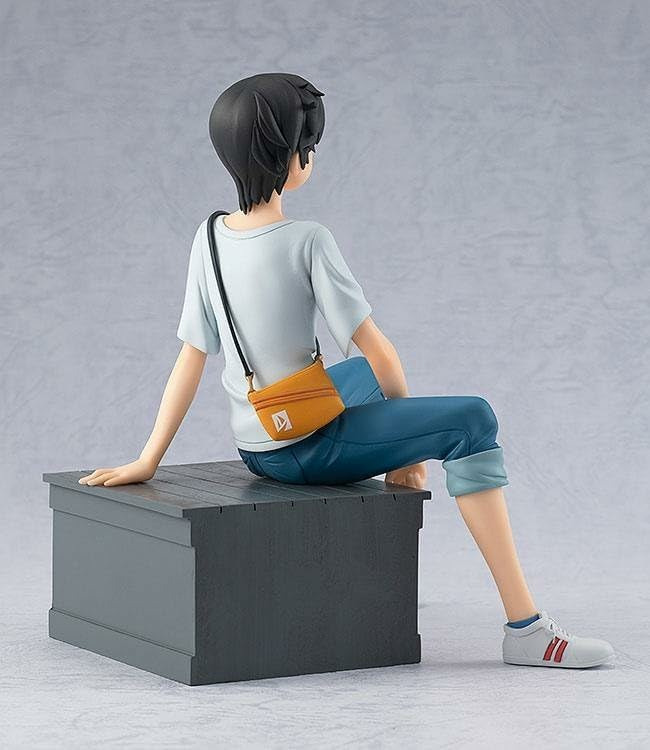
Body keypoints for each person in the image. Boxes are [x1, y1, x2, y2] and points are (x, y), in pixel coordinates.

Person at [79, 73, 614, 669]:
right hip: (305, 449)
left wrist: (147, 459)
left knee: (356, 375)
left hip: (258, 442)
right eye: (308, 145)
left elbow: (191, 356)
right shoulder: (308, 240)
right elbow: (380, 350)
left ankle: (387, 561)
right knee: (472, 421)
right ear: (291, 157)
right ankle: (526, 629)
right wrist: (408, 458)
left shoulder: (206, 238)